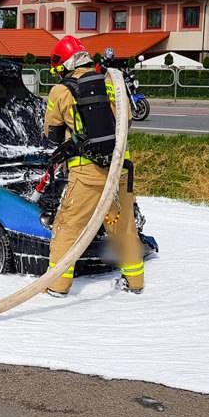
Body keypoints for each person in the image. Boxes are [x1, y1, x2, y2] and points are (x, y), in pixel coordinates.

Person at [43, 36, 143, 296]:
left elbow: (52, 134)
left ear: (63, 66)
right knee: (123, 227)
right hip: (120, 169)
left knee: (67, 227)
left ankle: (57, 285)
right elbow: (127, 121)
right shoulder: (113, 82)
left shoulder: (61, 91)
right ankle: (135, 282)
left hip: (87, 172)